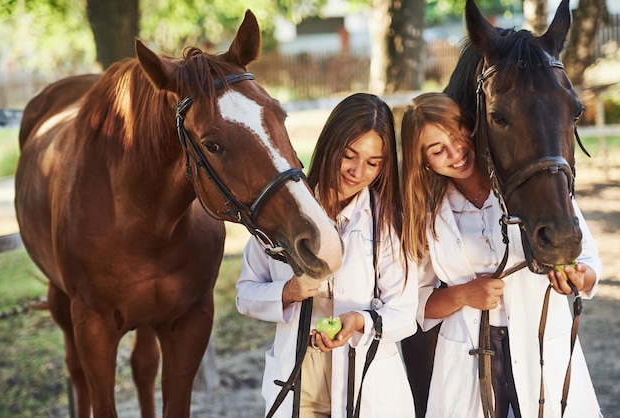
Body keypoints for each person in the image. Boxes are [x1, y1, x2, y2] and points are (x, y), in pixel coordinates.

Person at [398, 92, 602, 417]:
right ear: (422, 160)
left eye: (457, 136)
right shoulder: (425, 214)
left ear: (471, 128)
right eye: (437, 150)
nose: (455, 153)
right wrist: (464, 294)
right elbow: (416, 305)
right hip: (469, 357)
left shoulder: (533, 184)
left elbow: (589, 264)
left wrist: (577, 278)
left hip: (542, 345)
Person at [236, 92, 418, 418]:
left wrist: (360, 320)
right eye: (349, 155)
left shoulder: (389, 223)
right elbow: (244, 295)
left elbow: (404, 314)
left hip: (366, 377)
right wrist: (287, 292)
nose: (358, 171)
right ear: (331, 143)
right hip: (299, 374)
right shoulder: (284, 212)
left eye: (373, 162)